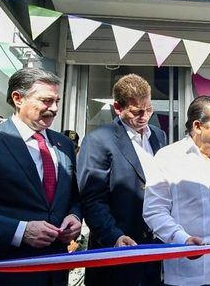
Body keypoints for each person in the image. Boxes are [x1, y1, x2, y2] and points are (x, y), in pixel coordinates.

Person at [0, 68, 82, 286]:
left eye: (57, 101)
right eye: (46, 101)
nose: (55, 108)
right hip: (2, 275)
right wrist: (20, 231)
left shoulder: (64, 145)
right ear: (18, 98)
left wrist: (75, 217)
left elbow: (73, 197)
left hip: (54, 275)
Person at [143, 96, 210, 286]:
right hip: (186, 275)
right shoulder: (168, 158)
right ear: (198, 126)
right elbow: (154, 211)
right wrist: (183, 241)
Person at [78, 74, 166, 286]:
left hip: (154, 249)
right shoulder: (99, 140)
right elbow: (92, 199)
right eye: (136, 111)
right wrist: (114, 237)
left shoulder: (159, 136)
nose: (144, 116)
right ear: (118, 108)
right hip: (116, 251)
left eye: (149, 109)